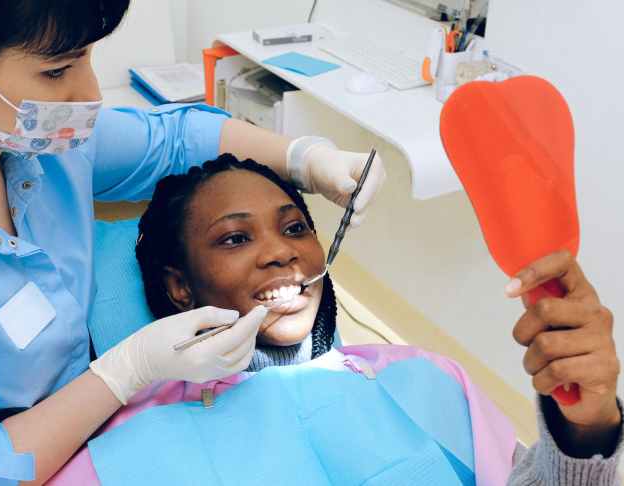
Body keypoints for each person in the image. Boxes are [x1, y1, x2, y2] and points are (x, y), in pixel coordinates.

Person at [0, 2, 386, 485]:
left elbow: (173, 141)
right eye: (56, 71)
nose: (87, 92)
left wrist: (308, 160)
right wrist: (127, 372)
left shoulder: (41, 144)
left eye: (87, 59)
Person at [49, 154, 622, 485]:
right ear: (179, 286)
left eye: (296, 227)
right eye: (235, 237)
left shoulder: (427, 380)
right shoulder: (124, 445)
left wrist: (586, 426)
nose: (282, 252)